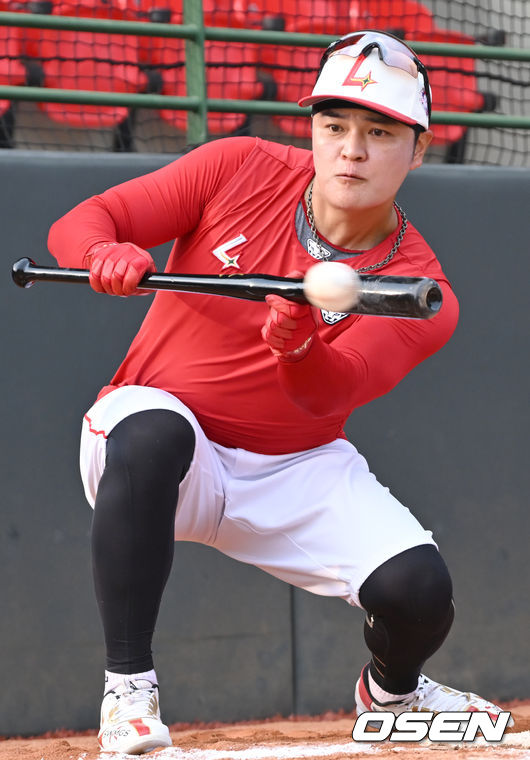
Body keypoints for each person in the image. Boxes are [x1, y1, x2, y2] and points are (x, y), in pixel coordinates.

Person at [48, 30, 509, 755]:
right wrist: (102, 252)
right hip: (162, 443)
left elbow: (332, 394)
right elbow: (82, 222)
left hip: (292, 462)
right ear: (314, 130)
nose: (351, 150)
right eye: (335, 126)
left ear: (417, 149)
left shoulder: (422, 291)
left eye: (379, 131)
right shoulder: (238, 165)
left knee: (418, 591)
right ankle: (129, 694)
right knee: (152, 430)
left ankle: (394, 693)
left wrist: (296, 345)